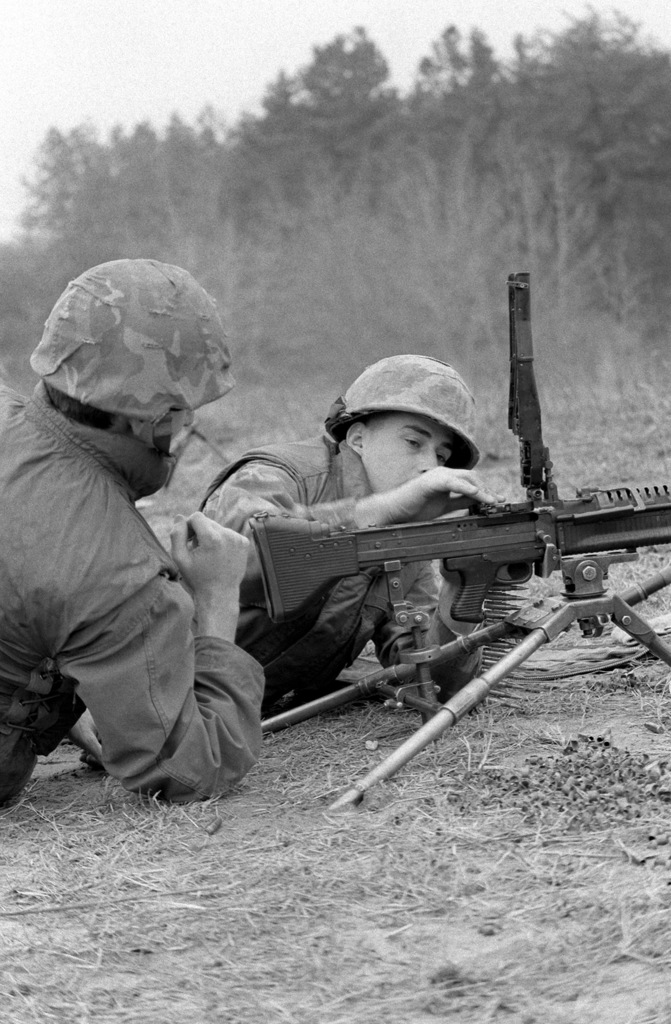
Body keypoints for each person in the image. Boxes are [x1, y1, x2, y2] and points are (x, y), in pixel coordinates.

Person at [0, 259, 264, 806]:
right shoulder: (121, 575)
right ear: (153, 419)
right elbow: (192, 769)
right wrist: (216, 597)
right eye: (184, 408)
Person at [201, 354, 501, 714]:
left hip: (230, 712)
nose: (429, 465)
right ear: (358, 439)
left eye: (441, 455)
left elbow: (425, 676)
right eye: (413, 443)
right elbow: (234, 560)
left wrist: (460, 593)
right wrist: (381, 510)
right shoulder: (279, 476)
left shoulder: (404, 540)